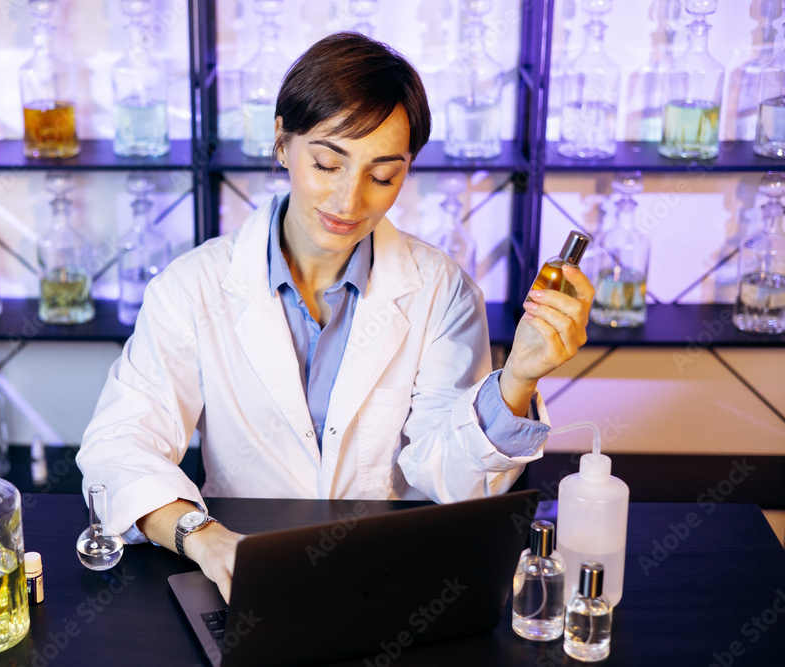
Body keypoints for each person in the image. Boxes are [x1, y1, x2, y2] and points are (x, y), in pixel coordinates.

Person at [77, 32, 593, 603]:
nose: (349, 202)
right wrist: (204, 538)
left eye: (382, 176)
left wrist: (519, 376)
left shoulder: (441, 291)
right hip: (244, 567)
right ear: (281, 142)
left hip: (389, 573)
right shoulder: (192, 286)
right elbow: (119, 446)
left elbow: (454, 482)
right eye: (327, 163)